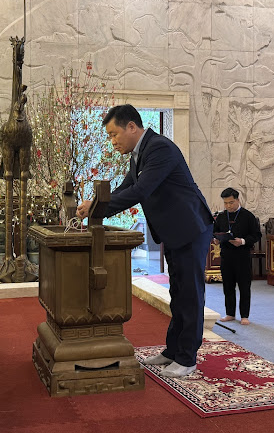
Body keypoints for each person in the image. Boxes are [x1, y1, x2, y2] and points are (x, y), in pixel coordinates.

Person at [76, 104, 213, 378]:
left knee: (190, 295)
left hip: (190, 229)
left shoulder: (159, 148)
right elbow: (124, 189)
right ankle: (173, 351)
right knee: (178, 294)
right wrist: (95, 207)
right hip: (175, 232)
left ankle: (187, 358)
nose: (112, 141)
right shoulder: (138, 155)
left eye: (114, 134)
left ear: (131, 127)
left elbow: (140, 191)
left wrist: (96, 207)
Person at [212, 188, 261, 325]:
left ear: (238, 200)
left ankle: (244, 315)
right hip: (226, 255)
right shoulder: (221, 216)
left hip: (242, 255)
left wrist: (243, 241)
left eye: (231, 202)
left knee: (244, 286)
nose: (228, 206)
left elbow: (256, 235)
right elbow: (215, 231)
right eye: (225, 203)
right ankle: (230, 314)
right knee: (228, 286)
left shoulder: (248, 216)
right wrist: (216, 239)